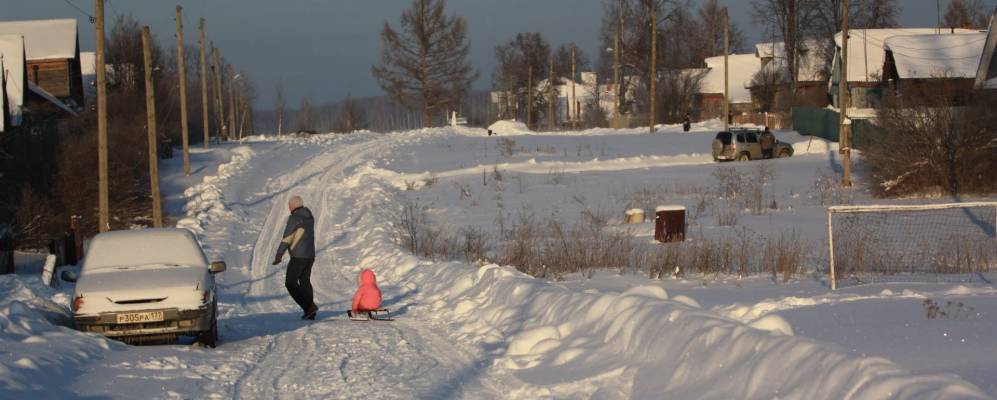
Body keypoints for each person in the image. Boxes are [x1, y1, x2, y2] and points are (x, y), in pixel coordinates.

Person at [273, 195, 318, 320]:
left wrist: (279, 254)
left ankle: (309, 307)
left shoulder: (294, 218)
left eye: (289, 206)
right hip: (310, 255)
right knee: (305, 282)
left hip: (298, 256)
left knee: (290, 283)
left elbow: (288, 237)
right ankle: (311, 312)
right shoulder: (310, 217)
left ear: (292, 206)